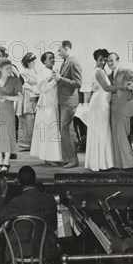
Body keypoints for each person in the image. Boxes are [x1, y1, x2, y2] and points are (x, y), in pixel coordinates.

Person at [0, 166, 59, 262]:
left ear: (18, 182)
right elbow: (54, 226)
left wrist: (3, 195)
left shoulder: (16, 202)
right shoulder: (49, 199)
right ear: (35, 179)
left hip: (19, 251)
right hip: (44, 250)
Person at [85, 49, 123, 172]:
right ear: (96, 59)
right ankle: (101, 163)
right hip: (99, 104)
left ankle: (101, 162)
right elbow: (107, 88)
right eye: (100, 60)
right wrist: (122, 87)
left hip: (102, 102)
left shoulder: (101, 71)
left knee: (102, 131)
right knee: (101, 131)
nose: (103, 62)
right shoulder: (99, 71)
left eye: (104, 60)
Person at [107, 52, 133, 172]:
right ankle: (118, 163)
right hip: (113, 107)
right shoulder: (109, 75)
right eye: (108, 61)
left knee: (122, 135)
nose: (110, 63)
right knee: (115, 135)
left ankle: (129, 164)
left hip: (124, 106)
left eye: (112, 60)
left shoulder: (126, 72)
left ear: (118, 60)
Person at [0, 59, 23, 173]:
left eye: (10, 68)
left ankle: (6, 162)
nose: (10, 70)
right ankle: (0, 162)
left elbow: (20, 97)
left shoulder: (15, 81)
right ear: (0, 69)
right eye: (7, 68)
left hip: (8, 111)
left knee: (8, 136)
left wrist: (7, 98)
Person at [30, 52, 63, 165]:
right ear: (44, 61)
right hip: (46, 105)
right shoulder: (42, 73)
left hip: (54, 103)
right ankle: (48, 157)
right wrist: (55, 80)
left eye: (53, 57)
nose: (53, 59)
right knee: (48, 131)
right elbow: (43, 88)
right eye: (50, 58)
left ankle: (54, 157)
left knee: (53, 131)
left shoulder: (54, 72)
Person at [54, 40, 82, 169]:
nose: (58, 53)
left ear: (66, 48)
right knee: (65, 130)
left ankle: (72, 159)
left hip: (69, 101)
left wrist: (61, 79)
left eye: (60, 50)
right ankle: (68, 158)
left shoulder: (73, 62)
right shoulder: (66, 62)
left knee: (66, 130)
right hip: (64, 100)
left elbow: (78, 83)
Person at [18, 52, 39, 152]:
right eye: (32, 62)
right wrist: (33, 86)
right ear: (28, 62)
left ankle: (32, 143)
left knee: (32, 119)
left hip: (34, 95)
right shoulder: (23, 72)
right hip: (27, 96)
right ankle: (24, 144)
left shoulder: (34, 70)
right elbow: (24, 84)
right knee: (26, 119)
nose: (34, 64)